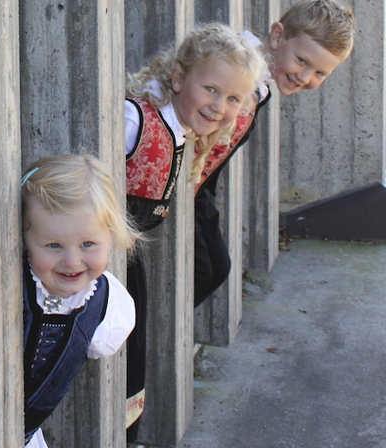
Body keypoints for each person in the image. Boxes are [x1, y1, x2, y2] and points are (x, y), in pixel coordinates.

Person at [122, 23, 269, 441]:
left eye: (233, 99)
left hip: (125, 255)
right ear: (178, 77)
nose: (219, 106)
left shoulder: (183, 130)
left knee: (133, 351)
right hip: (99, 256)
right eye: (210, 89)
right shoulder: (135, 119)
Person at [193, 0, 356, 308]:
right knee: (205, 272)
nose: (305, 77)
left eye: (321, 73)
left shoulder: (260, 86)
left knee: (215, 269)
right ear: (278, 36)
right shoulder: (238, 73)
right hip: (188, 185)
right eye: (302, 61)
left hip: (201, 189)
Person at [21, 154, 137, 448]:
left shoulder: (106, 305)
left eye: (87, 244)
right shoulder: (14, 285)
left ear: (110, 236)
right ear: (23, 239)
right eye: (53, 245)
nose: (71, 262)